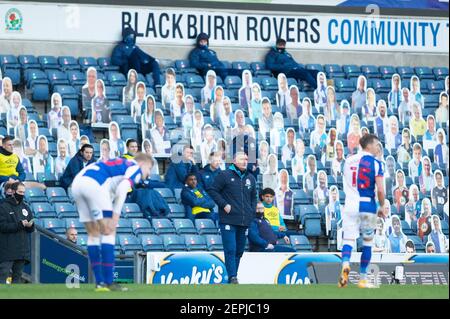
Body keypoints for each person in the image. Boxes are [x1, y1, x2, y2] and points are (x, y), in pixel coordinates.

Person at [71, 153, 153, 291]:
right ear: (143, 163)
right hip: (96, 184)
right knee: (109, 231)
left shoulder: (117, 163)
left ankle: (100, 283)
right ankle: (108, 282)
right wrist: (115, 216)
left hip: (77, 184)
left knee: (93, 234)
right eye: (149, 168)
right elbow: (122, 188)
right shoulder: (134, 167)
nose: (148, 173)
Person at [339, 134, 385, 289]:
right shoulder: (376, 163)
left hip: (350, 204)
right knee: (367, 243)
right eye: (376, 144)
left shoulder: (348, 161)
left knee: (348, 240)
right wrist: (382, 205)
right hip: (367, 205)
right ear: (369, 145)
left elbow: (346, 181)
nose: (378, 147)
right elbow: (380, 190)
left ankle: (345, 264)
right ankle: (363, 278)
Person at [208, 148, 257, 284]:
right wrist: (224, 204)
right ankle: (232, 277)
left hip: (244, 221)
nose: (245, 161)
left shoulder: (250, 178)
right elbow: (212, 190)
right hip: (228, 220)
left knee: (239, 251)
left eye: (247, 159)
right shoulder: (224, 175)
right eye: (242, 159)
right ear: (234, 161)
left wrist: (251, 212)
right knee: (230, 249)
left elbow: (254, 197)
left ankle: (233, 275)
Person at [0, 182, 34, 284]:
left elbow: (30, 228)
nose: (22, 194)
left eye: (23, 192)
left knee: (17, 278)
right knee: (3, 275)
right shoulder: (3, 206)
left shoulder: (26, 208)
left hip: (22, 250)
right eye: (20, 192)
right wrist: (19, 225)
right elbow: (2, 226)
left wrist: (30, 225)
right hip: (7, 250)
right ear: (13, 192)